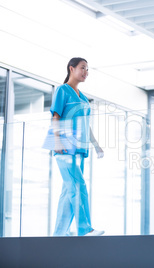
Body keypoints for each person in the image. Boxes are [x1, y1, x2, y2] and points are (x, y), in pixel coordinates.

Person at [50, 57, 104, 236]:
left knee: (68, 192)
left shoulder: (84, 98)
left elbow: (84, 124)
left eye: (87, 69)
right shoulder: (62, 90)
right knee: (78, 186)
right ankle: (85, 229)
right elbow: (55, 116)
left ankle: (58, 235)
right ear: (71, 69)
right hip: (64, 147)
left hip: (79, 149)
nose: (86, 72)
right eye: (83, 68)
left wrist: (96, 145)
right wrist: (57, 141)